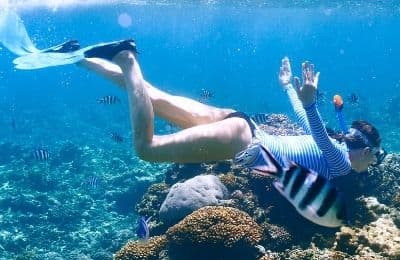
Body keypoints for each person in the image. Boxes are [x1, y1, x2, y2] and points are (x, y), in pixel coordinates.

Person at [79, 41, 384, 179]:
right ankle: (127, 59)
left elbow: (307, 121)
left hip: (242, 122)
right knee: (146, 148)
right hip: (243, 141)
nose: (373, 164)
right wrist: (307, 101)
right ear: (367, 152)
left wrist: (288, 88)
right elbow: (314, 128)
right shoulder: (341, 163)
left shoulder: (334, 145)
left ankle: (81, 58)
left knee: (156, 98)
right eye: (376, 157)